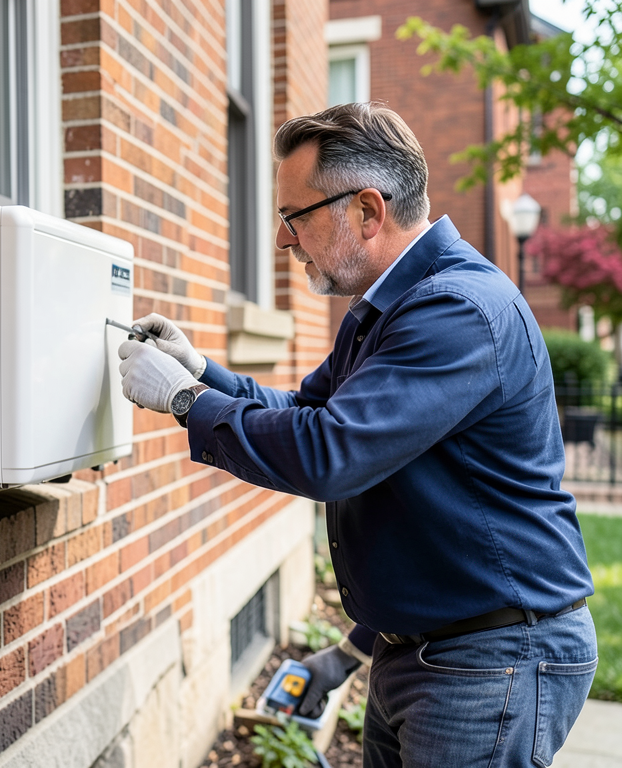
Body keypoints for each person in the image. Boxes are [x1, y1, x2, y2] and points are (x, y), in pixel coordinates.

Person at [117, 103, 596, 768]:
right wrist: (199, 369)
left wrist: (183, 400)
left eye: (294, 217)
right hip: (431, 651)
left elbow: (329, 452)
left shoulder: (455, 311)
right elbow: (305, 412)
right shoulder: (386, 309)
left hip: (492, 662)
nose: (284, 241)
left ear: (367, 211)